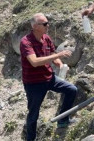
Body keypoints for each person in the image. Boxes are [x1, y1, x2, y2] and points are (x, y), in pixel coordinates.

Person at [20, 13, 77, 141]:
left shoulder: (46, 38)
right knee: (33, 114)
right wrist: (59, 55)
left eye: (47, 23)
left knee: (72, 90)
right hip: (33, 84)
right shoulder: (26, 42)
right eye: (45, 24)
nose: (48, 25)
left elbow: (52, 56)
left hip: (49, 78)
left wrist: (61, 65)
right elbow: (34, 62)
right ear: (35, 26)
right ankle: (31, 138)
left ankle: (63, 120)